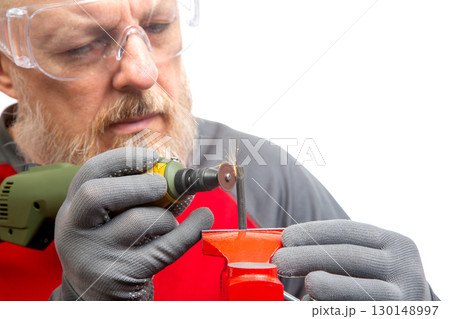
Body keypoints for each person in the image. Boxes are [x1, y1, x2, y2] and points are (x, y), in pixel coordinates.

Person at [0, 0, 439, 301]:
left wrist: (420, 307)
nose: (142, 71)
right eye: (82, 46)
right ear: (6, 69)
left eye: (156, 27)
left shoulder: (265, 178)